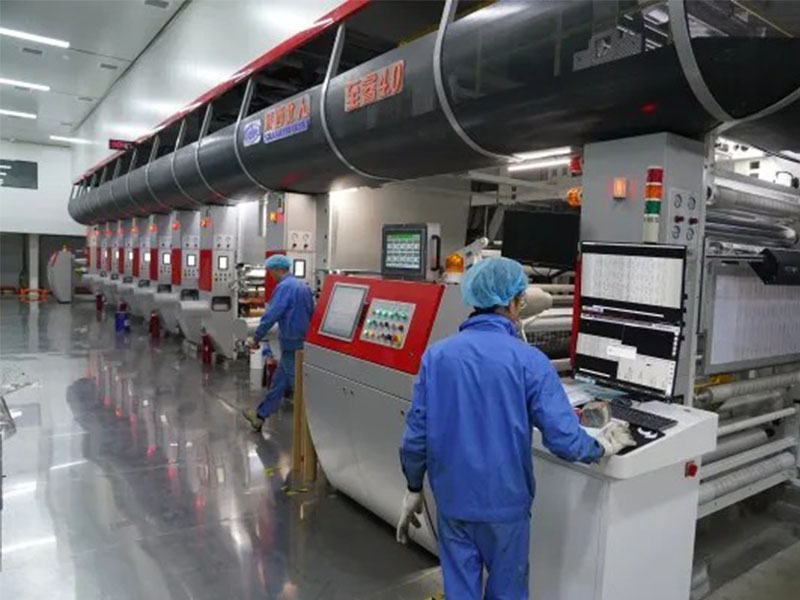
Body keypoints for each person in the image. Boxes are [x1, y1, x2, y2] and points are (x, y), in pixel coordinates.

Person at [397, 257, 634, 600]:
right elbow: (564, 440)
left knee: (459, 590)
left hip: (452, 501)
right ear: (511, 303)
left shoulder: (436, 356)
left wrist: (413, 486)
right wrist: (601, 446)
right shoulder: (529, 361)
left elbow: (415, 436)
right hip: (504, 507)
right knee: (507, 591)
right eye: (520, 300)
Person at [242, 254, 314, 432]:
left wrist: (256, 338)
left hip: (291, 342)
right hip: (304, 341)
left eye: (271, 271)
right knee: (279, 382)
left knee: (299, 386)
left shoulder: (284, 287)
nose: (270, 275)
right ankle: (260, 416)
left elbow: (271, 316)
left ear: (278, 269)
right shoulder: (303, 286)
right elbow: (312, 313)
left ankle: (312, 429)